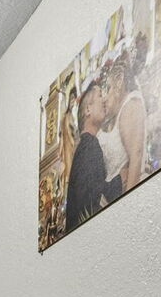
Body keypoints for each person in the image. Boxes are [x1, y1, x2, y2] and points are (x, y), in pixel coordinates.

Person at [97, 51, 148, 195]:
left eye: (108, 88)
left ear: (119, 81)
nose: (104, 98)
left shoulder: (130, 105)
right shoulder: (117, 113)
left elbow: (136, 158)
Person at [62, 80, 109, 232]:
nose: (105, 99)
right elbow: (90, 203)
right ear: (88, 109)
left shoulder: (85, 146)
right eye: (100, 95)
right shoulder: (89, 146)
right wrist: (121, 179)